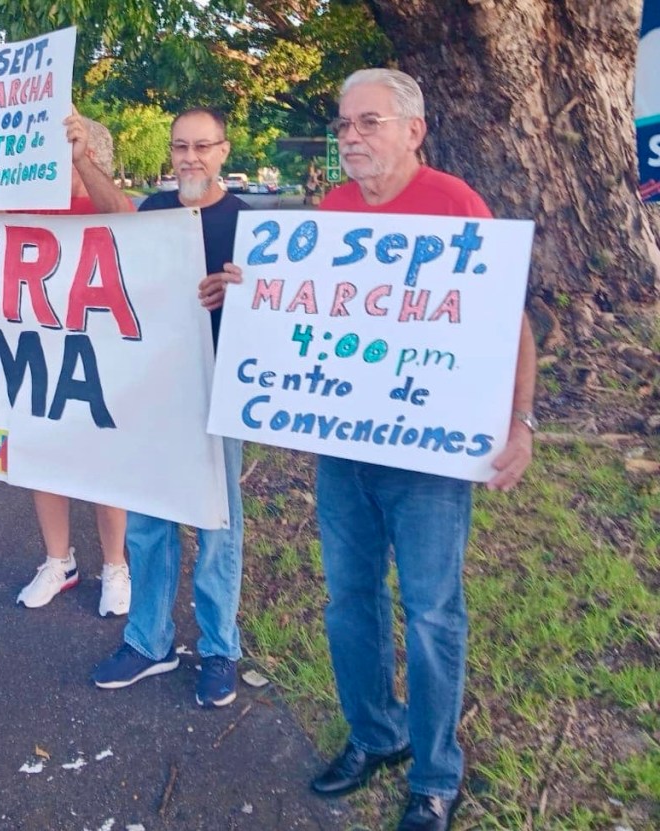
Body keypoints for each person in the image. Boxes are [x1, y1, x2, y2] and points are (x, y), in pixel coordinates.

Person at [306, 69, 537, 831]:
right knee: (349, 599)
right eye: (344, 124)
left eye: (368, 122)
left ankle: (436, 774)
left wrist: (521, 420)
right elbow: (309, 305)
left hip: (430, 458)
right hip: (343, 446)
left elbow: (510, 319)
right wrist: (253, 287)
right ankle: (377, 734)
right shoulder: (333, 208)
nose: (351, 137)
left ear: (413, 130)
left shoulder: (455, 203)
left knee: (433, 612)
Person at [0, 102, 133, 616]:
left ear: (90, 156)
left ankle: (116, 566)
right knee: (41, 459)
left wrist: (80, 159)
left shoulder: (108, 206)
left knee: (106, 465)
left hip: (98, 360)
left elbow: (127, 219)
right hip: (36, 359)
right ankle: (58, 561)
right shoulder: (32, 209)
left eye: (64, 154)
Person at [91, 108, 250, 709]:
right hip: (155, 392)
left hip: (218, 396)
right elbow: (116, 217)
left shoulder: (248, 224)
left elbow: (279, 304)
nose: (190, 157)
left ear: (223, 151)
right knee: (149, 523)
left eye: (202, 147)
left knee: (217, 526)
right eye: (181, 147)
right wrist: (82, 158)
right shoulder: (156, 211)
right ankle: (148, 642)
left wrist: (239, 291)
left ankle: (219, 649)